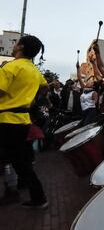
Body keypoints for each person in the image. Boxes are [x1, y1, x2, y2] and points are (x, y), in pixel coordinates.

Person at [0, 35, 48, 208]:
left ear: (20, 47)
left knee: (17, 161)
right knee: (19, 161)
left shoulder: (10, 67)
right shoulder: (34, 70)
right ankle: (37, 197)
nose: (13, 45)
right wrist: (31, 98)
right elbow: (45, 86)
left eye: (15, 42)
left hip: (5, 120)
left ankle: (17, 193)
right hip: (23, 120)